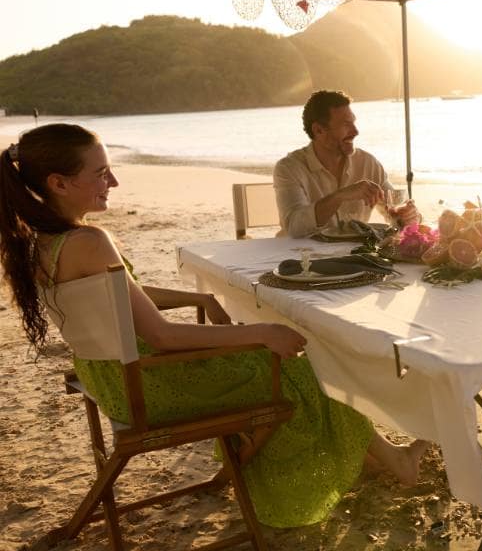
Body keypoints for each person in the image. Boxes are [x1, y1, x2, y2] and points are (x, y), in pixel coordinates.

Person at [0, 123, 429, 529]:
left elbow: (115, 291)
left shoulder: (45, 243)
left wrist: (197, 297)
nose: (112, 183)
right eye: (101, 173)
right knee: (307, 365)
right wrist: (264, 333)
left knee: (275, 352)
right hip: (148, 385)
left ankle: (367, 453)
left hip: (111, 378)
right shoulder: (91, 242)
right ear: (58, 183)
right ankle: (396, 462)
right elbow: (164, 336)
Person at [274, 90, 420, 238]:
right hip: (299, 257)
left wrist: (407, 216)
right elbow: (294, 227)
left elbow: (395, 211)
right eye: (346, 125)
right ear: (318, 130)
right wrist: (339, 196)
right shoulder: (288, 168)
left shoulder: (368, 163)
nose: (355, 131)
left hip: (353, 256)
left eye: (353, 123)